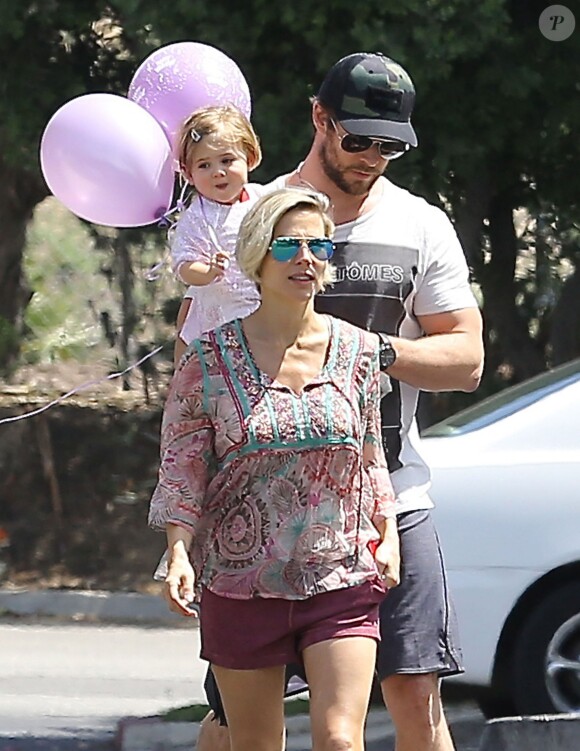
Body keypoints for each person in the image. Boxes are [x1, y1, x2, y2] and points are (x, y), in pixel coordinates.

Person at [199, 52, 485, 751]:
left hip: (391, 497)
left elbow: (468, 358)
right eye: (359, 139)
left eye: (392, 144)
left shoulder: (421, 224)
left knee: (414, 692)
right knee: (239, 719)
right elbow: (202, 365)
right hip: (261, 507)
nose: (374, 157)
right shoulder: (255, 215)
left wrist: (371, 351)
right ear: (318, 117)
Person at [149, 187, 401, 751]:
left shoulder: (360, 352)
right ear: (258, 254)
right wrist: (180, 551)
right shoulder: (208, 359)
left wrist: (388, 534)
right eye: (289, 245)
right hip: (241, 583)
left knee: (340, 739)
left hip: (339, 572)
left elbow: (368, 452)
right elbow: (183, 465)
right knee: (257, 744)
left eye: (320, 246)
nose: (306, 258)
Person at [170, 104, 264, 366]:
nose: (217, 172)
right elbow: (183, 265)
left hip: (263, 305)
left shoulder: (263, 198)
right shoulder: (198, 216)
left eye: (227, 160)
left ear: (250, 157)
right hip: (219, 310)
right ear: (188, 174)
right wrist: (207, 271)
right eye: (204, 165)